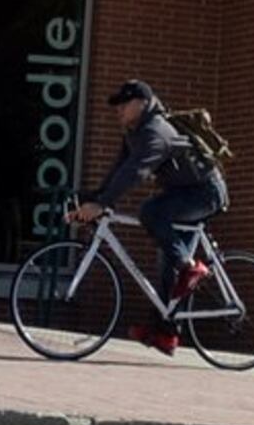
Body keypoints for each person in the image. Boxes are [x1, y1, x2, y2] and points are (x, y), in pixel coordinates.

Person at [66, 80, 226, 354]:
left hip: (204, 195)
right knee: (166, 262)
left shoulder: (155, 133)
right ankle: (166, 334)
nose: (119, 110)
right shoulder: (134, 133)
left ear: (142, 103)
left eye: (124, 104)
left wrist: (103, 203)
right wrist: (93, 199)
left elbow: (136, 172)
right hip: (182, 195)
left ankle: (192, 267)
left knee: (151, 212)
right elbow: (120, 170)